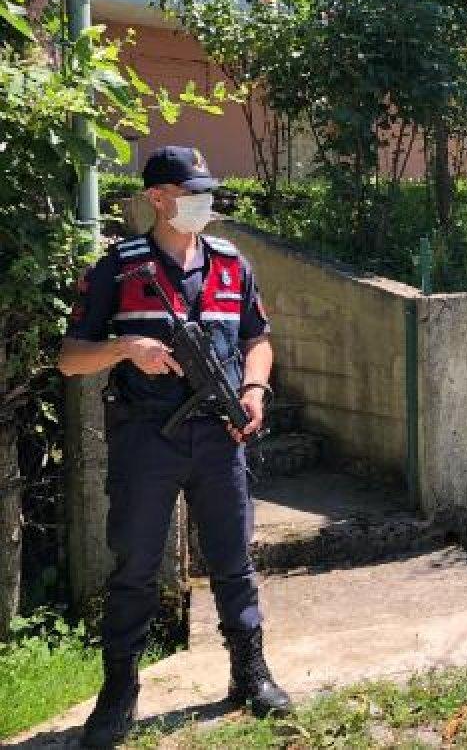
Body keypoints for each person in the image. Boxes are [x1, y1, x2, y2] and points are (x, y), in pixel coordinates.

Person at [58, 146, 292, 748]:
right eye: (191, 193)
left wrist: (256, 390)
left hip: (218, 434)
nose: (203, 203)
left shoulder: (231, 264)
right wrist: (125, 349)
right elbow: (68, 358)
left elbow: (258, 339)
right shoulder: (116, 268)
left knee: (233, 557)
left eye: (206, 192)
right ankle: (118, 694)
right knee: (135, 564)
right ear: (158, 197)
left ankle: (250, 673)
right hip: (145, 438)